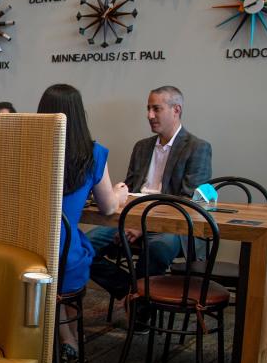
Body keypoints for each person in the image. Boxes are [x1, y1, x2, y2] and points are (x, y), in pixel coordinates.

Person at [87, 85, 212, 318]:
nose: (149, 115)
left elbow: (187, 201)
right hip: (132, 218)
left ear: (176, 110)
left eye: (156, 109)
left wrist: (142, 228)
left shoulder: (198, 148)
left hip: (173, 226)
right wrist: (127, 221)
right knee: (84, 246)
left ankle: (140, 315)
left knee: (158, 247)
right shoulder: (142, 147)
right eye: (148, 109)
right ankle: (131, 293)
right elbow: (130, 190)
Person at [37, 84, 128, 361]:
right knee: (68, 262)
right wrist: (121, 192)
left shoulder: (29, 147)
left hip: (27, 244)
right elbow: (108, 206)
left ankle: (61, 337)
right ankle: (69, 337)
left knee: (48, 272)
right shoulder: (93, 153)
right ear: (80, 114)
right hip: (64, 249)